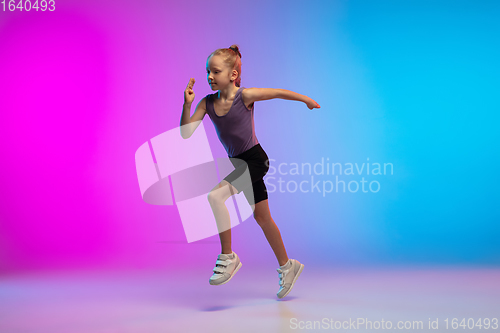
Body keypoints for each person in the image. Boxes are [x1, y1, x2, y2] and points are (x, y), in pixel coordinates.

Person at [180, 44, 320, 299]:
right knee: (263, 218)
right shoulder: (206, 103)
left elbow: (277, 92)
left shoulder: (244, 96)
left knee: (215, 196)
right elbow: (186, 133)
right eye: (207, 72)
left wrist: (306, 100)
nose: (210, 76)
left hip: (255, 160)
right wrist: (187, 105)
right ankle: (288, 266)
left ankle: (228, 256)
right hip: (238, 164)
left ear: (232, 75)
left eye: (216, 71)